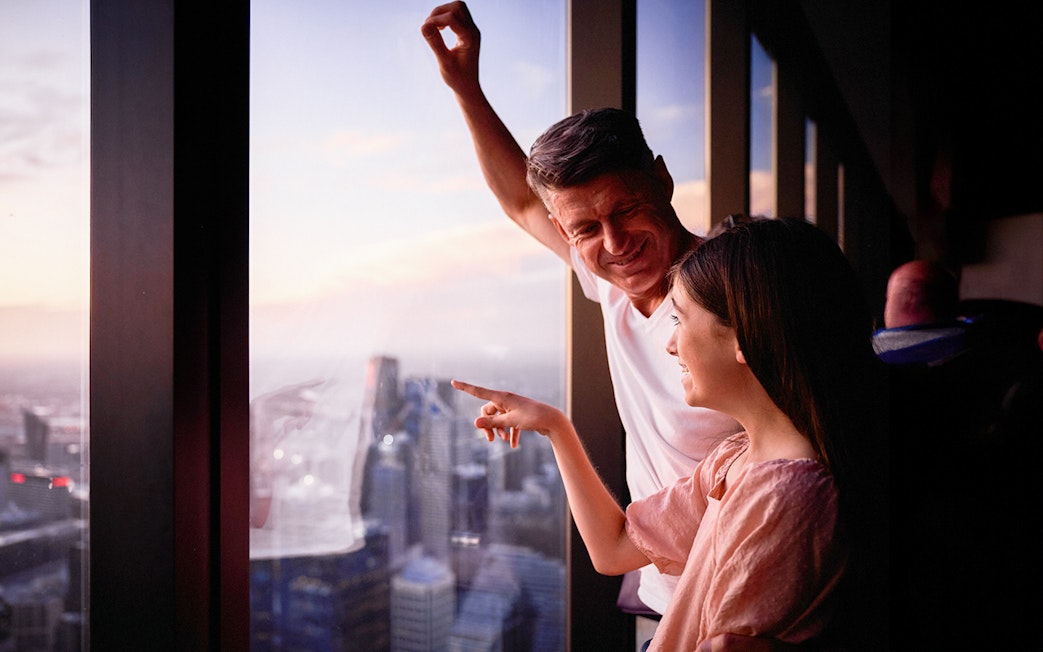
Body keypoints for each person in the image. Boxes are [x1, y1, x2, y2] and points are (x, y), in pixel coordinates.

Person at [421, 1, 741, 617]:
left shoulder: (734, 290)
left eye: (626, 210)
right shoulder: (612, 283)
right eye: (587, 228)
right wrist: (466, 87)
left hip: (740, 602)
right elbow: (520, 199)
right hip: (667, 594)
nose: (615, 244)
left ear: (662, 182)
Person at [453, 218, 889, 650]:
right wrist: (555, 426)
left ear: (744, 334)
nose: (670, 344)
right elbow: (615, 549)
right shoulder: (734, 460)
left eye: (679, 320)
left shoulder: (784, 498)